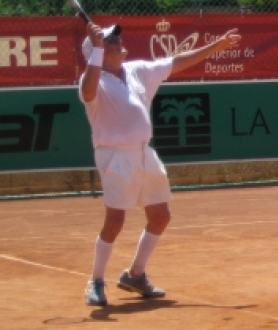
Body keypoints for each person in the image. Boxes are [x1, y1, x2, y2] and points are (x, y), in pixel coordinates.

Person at [79, 22, 241, 306]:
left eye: (116, 37)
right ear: (97, 53)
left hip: (145, 153)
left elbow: (176, 62)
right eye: (109, 40)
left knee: (161, 216)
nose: (117, 40)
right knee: (115, 221)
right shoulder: (95, 80)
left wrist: (217, 46)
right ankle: (96, 280)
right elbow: (88, 92)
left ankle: (135, 275)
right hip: (115, 157)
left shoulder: (138, 70)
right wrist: (96, 52)